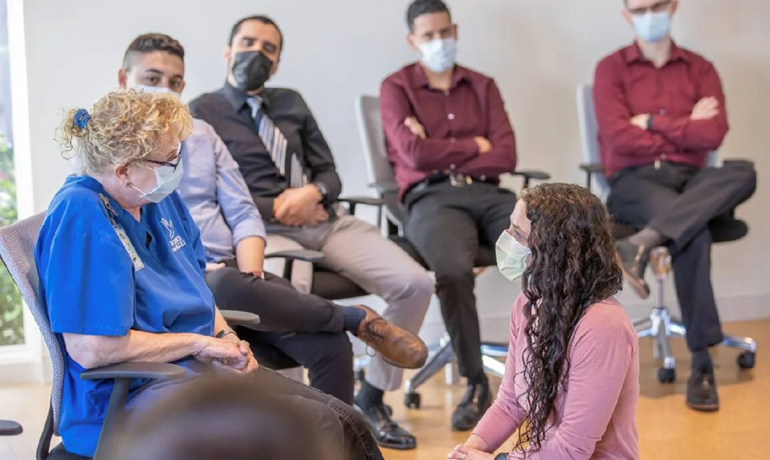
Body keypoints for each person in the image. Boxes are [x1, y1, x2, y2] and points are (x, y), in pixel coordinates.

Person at [35, 90, 383, 460]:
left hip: (194, 371)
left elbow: (196, 286)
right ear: (124, 171)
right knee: (316, 424)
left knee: (346, 419)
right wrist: (199, 345)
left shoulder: (155, 198)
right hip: (130, 397)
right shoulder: (82, 217)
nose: (177, 168)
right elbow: (93, 348)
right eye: (168, 161)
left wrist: (225, 339)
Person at [116, 33, 427, 405]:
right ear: (124, 79)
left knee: (331, 346)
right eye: (152, 79)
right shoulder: (113, 155)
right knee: (223, 283)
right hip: (186, 280)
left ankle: (341, 435)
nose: (164, 90)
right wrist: (198, 268)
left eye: (175, 82)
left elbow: (243, 209)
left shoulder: (201, 135)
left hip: (233, 269)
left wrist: (252, 271)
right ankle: (352, 317)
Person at [190, 16, 434, 450]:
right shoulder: (202, 113)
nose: (257, 53)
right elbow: (218, 193)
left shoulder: (291, 101)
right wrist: (280, 206)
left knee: (415, 282)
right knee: (294, 304)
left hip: (326, 219)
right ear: (227, 51)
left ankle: (373, 396)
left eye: (268, 48)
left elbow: (329, 173)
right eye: (247, 43)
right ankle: (298, 422)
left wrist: (314, 193)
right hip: (267, 229)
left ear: (277, 62)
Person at [594, 0, 757, 412]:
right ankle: (702, 364)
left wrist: (650, 122)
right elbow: (619, 138)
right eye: (640, 9)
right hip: (634, 180)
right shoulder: (610, 69)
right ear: (627, 16)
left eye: (657, 5)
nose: (650, 14)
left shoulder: (700, 68)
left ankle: (643, 242)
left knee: (743, 172)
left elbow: (714, 133)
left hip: (691, 179)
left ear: (673, 6)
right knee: (693, 231)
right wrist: (687, 126)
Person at [379, 0, 518, 431]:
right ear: (412, 40)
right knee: (454, 272)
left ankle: (550, 366)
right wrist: (475, 145)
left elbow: (507, 155)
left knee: (550, 246)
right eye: (429, 35)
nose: (439, 41)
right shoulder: (396, 87)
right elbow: (413, 154)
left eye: (444, 32)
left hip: (488, 193)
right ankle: (477, 383)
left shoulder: (483, 86)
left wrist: (436, 148)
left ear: (455, 30)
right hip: (432, 198)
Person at [447, 184, 640, 460]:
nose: (507, 240)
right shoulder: (529, 301)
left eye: (518, 234)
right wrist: (470, 449)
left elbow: (572, 450)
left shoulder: (603, 325)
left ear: (555, 249)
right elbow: (510, 402)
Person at [115, 376, 340, 460]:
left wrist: (227, 335)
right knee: (319, 416)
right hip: (157, 381)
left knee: (335, 414)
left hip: (209, 364)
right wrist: (198, 343)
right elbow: (100, 348)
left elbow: (211, 310)